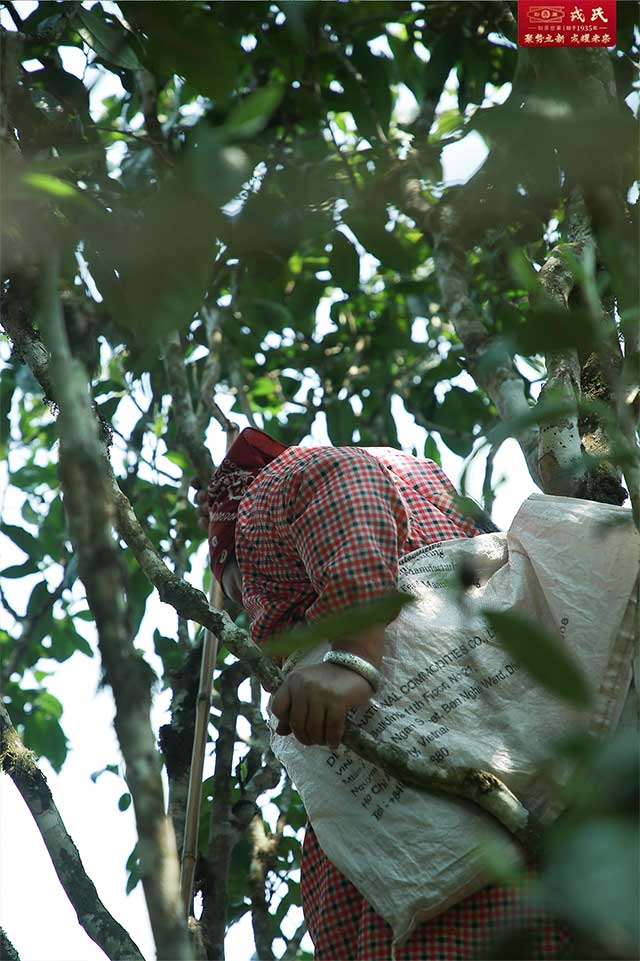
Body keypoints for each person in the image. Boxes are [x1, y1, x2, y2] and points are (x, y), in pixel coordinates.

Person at [195, 427, 570, 960]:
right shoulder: (429, 491)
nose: (248, 613)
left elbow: (342, 482)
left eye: (235, 590)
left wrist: (352, 656)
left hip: (449, 870)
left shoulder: (262, 496)